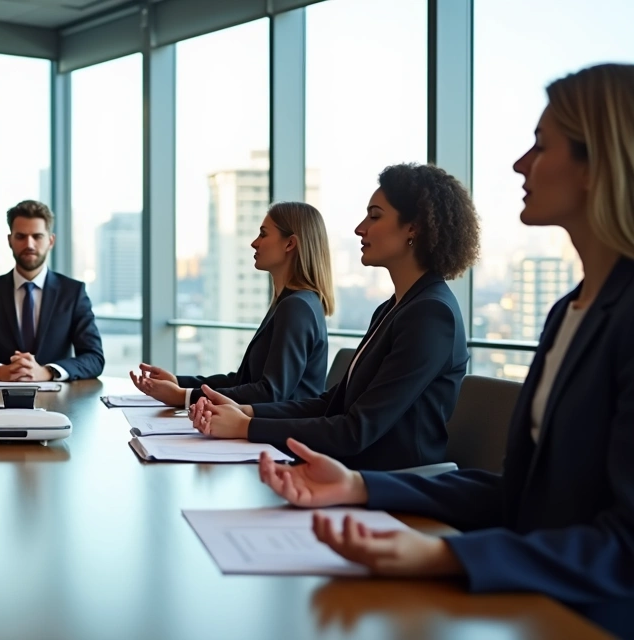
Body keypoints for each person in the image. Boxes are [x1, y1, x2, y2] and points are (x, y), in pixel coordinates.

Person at [253, 63, 634, 639]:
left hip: (582, 616)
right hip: (525, 591)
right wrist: (359, 487)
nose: (519, 165)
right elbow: (519, 493)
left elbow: (624, 546)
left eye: (541, 145)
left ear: (597, 164)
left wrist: (447, 557)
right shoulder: (570, 312)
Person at [191, 163, 479, 471]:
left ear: (414, 227)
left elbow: (355, 431)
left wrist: (245, 427)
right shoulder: (394, 307)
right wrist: (245, 412)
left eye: (375, 215)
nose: (360, 228)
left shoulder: (431, 315)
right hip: (350, 471)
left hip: (390, 486)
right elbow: (333, 403)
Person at [130, 202, 333, 408]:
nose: (254, 243)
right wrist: (178, 383)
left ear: (289, 244)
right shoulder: (289, 303)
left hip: (279, 437)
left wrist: (184, 397)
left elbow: (270, 393)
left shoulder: (296, 307)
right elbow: (244, 380)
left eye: (263, 235)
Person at [0, 199, 104, 381]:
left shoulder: (72, 293)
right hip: (0, 402)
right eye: (21, 236)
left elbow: (94, 358)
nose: (29, 244)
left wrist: (48, 372)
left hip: (59, 403)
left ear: (50, 241)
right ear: (10, 240)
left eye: (37, 236)